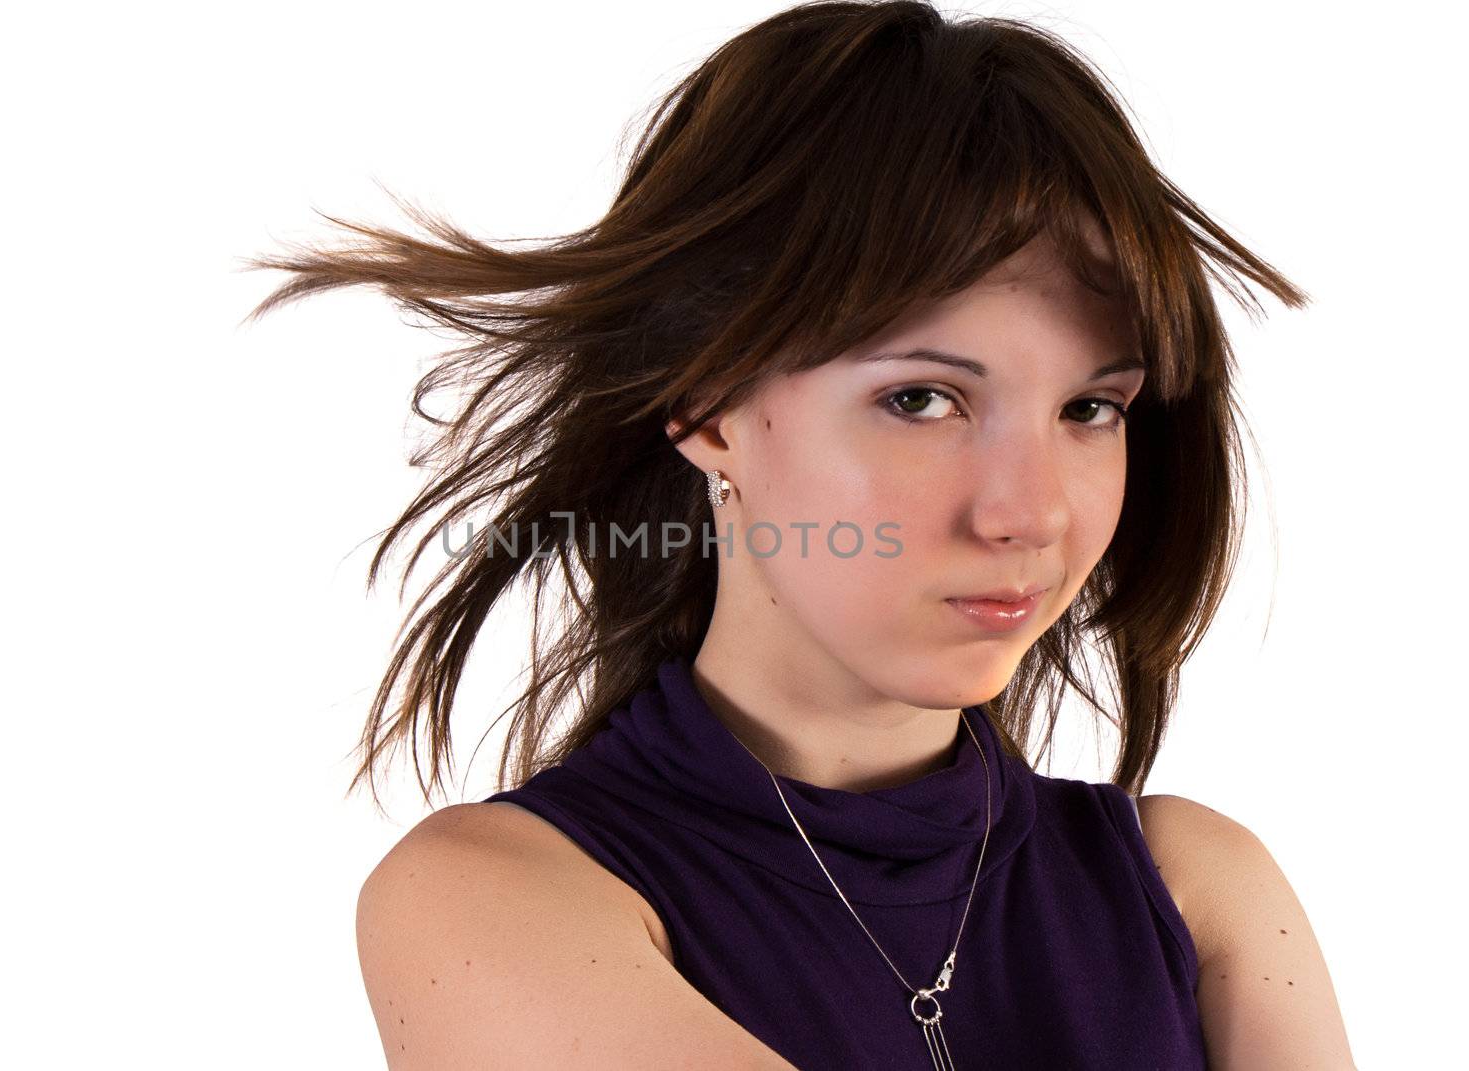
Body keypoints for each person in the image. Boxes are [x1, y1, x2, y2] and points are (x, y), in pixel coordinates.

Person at [240, 2, 1356, 1067]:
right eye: (921, 399)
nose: (1030, 512)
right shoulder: (492, 899)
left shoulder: (1196, 888)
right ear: (707, 402)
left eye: (1090, 409)